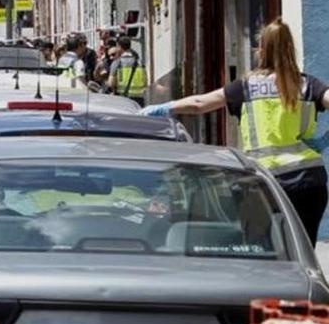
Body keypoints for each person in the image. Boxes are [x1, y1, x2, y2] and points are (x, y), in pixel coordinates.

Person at [141, 18, 329, 246]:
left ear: (262, 50)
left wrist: (164, 108)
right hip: (307, 180)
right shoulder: (308, 85)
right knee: (302, 251)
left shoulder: (246, 86)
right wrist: (325, 140)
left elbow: (200, 103)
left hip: (263, 182)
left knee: (261, 249)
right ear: (291, 48)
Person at [109, 36, 148, 105]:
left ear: (119, 46)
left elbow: (111, 83)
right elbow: (145, 81)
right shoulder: (139, 62)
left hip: (123, 98)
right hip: (139, 99)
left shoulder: (117, 63)